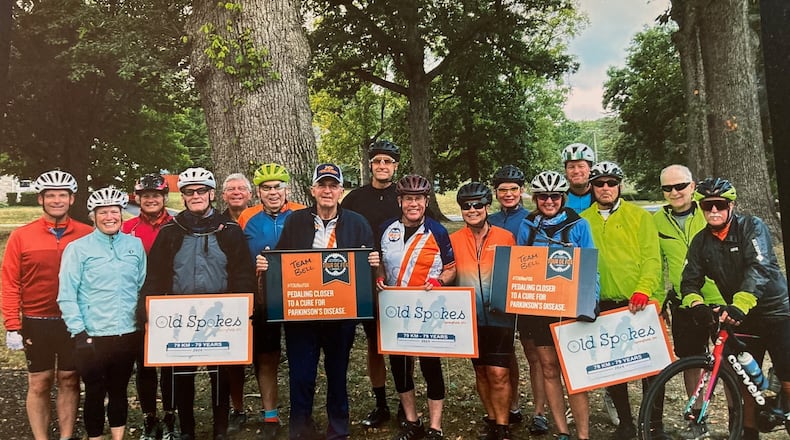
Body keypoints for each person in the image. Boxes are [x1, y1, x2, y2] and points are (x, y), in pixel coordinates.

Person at [256, 163, 380, 440]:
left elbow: (367, 263)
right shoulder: (296, 221)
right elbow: (280, 260)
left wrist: (373, 263)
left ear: (340, 190)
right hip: (302, 314)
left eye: (333, 185)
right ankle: (300, 429)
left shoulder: (357, 222)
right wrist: (267, 264)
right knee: (301, 375)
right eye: (322, 185)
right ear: (313, 190)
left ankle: (338, 429)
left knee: (337, 374)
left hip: (341, 314)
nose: (327, 191)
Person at [140, 167, 256, 440]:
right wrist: (147, 308)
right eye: (190, 192)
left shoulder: (228, 229)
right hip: (181, 314)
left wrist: (246, 306)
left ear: (211, 194)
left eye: (201, 191)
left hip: (221, 314)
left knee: (221, 377)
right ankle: (187, 430)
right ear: (183, 197)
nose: (196, 196)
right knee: (183, 375)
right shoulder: (171, 230)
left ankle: (219, 429)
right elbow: (156, 274)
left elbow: (242, 271)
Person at [680, 178, 790, 440]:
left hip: (775, 312)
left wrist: (740, 304)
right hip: (742, 318)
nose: (714, 211)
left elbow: (758, 268)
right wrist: (697, 306)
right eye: (708, 206)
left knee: (788, 375)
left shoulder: (752, 227)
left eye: (719, 205)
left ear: (731, 205)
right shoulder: (701, 241)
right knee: (744, 382)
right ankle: (747, 433)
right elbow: (689, 280)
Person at [1, 170, 92, 440]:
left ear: (72, 199)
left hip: (73, 320)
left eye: (62, 195)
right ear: (40, 199)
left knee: (69, 379)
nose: (56, 200)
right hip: (36, 320)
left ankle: (65, 436)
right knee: (39, 382)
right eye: (50, 195)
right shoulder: (22, 236)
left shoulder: (86, 234)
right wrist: (12, 325)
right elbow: (9, 282)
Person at [580, 161, 664, 440]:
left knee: (650, 366)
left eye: (611, 183)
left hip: (637, 302)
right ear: (592, 186)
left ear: (620, 185)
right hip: (602, 304)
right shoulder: (583, 219)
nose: (606, 188)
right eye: (600, 183)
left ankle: (654, 425)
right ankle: (625, 424)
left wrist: (644, 289)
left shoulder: (639, 216)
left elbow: (652, 258)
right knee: (613, 368)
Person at [57, 187, 146, 440]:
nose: (109, 217)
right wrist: (79, 332)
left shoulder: (134, 245)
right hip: (92, 334)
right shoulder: (78, 249)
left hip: (127, 332)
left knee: (119, 390)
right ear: (93, 216)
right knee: (95, 391)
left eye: (114, 212)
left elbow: (140, 285)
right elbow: (67, 293)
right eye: (103, 212)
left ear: (122, 214)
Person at [517, 171, 597, 440]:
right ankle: (562, 430)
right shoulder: (528, 225)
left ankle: (583, 434)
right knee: (548, 367)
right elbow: (519, 266)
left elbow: (590, 267)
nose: (548, 201)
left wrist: (590, 301)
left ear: (562, 198)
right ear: (536, 199)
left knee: (573, 371)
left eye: (554, 196)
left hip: (570, 306)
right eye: (542, 197)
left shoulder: (579, 225)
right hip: (539, 306)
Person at [377, 174, 456, 440]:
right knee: (399, 366)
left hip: (426, 310)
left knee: (430, 366)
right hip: (396, 309)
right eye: (408, 198)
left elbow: (451, 268)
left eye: (418, 199)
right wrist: (377, 276)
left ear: (426, 201)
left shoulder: (438, 231)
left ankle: (435, 425)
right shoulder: (387, 229)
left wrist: (439, 281)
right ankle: (412, 421)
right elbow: (377, 261)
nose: (413, 204)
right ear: (400, 201)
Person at [653, 165, 726, 438]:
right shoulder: (656, 221)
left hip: (721, 298)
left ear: (693, 186)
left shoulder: (711, 210)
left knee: (727, 362)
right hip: (686, 303)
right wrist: (658, 303)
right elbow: (656, 264)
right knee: (692, 362)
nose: (674, 192)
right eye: (667, 188)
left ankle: (736, 417)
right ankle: (697, 416)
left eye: (680, 186)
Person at [237, 163, 305, 439]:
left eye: (278, 186)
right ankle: (270, 415)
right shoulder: (247, 217)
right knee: (267, 357)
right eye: (267, 188)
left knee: (302, 357)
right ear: (258, 192)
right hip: (264, 298)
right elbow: (240, 258)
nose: (273, 192)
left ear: (286, 188)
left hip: (299, 295)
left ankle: (302, 414)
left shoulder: (302, 213)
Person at [340, 139, 403, 428]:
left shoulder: (405, 195)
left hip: (399, 278)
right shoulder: (354, 198)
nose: (382, 166)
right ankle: (380, 403)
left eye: (387, 162)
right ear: (370, 164)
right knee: (375, 344)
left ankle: (406, 399)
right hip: (364, 281)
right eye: (377, 161)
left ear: (395, 166)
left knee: (402, 343)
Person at [449, 182, 516, 440]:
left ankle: (503, 426)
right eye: (467, 206)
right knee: (481, 371)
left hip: (500, 316)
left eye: (478, 205)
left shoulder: (505, 237)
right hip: (469, 317)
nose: (472, 210)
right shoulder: (453, 239)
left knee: (499, 372)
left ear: (488, 207)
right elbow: (447, 271)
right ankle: (491, 418)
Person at [488, 164, 547, 433]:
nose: (508, 194)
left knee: (534, 354)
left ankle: (539, 411)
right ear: (496, 192)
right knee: (506, 353)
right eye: (503, 190)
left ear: (522, 191)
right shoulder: (491, 221)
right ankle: (511, 406)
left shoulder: (533, 219)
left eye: (513, 189)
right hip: (500, 293)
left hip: (526, 292)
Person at [123, 173, 177, 440]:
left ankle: (170, 415)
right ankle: (149, 417)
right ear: (138, 198)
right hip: (139, 301)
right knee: (144, 363)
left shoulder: (178, 224)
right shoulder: (127, 228)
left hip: (170, 300)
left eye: (156, 195)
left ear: (164, 197)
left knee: (169, 363)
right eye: (145, 196)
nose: (151, 200)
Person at [219, 172, 255, 433]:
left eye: (241, 188)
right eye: (230, 189)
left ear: (250, 194)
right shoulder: (215, 223)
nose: (236, 192)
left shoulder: (257, 219)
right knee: (231, 359)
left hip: (260, 294)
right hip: (227, 298)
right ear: (223, 195)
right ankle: (237, 407)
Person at [561, 143, 596, 214]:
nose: (576, 171)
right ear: (565, 171)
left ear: (590, 169)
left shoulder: (600, 197)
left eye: (581, 166)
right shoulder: (559, 200)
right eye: (571, 167)